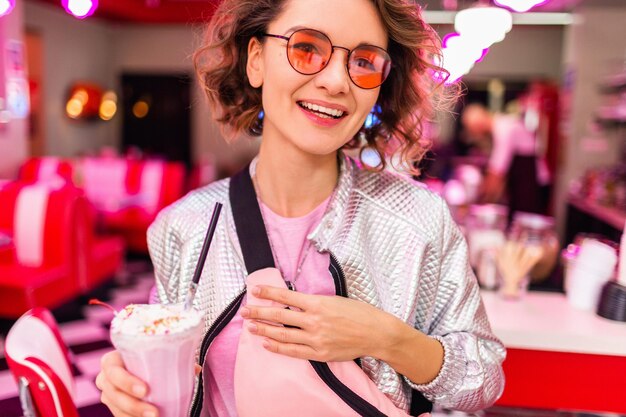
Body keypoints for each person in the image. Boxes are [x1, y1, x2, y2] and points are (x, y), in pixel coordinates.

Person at [96, 1, 506, 416]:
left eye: (363, 61)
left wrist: (388, 339)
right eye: (306, 48)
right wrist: (134, 385)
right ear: (256, 60)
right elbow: (176, 379)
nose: (335, 81)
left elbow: (483, 382)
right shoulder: (184, 227)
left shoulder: (417, 219)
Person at [461, 102, 550, 216]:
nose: (476, 134)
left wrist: (480, 201)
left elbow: (497, 169)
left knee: (524, 219)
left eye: (473, 130)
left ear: (479, 124)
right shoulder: (500, 126)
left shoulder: (503, 128)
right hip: (523, 178)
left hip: (532, 180)